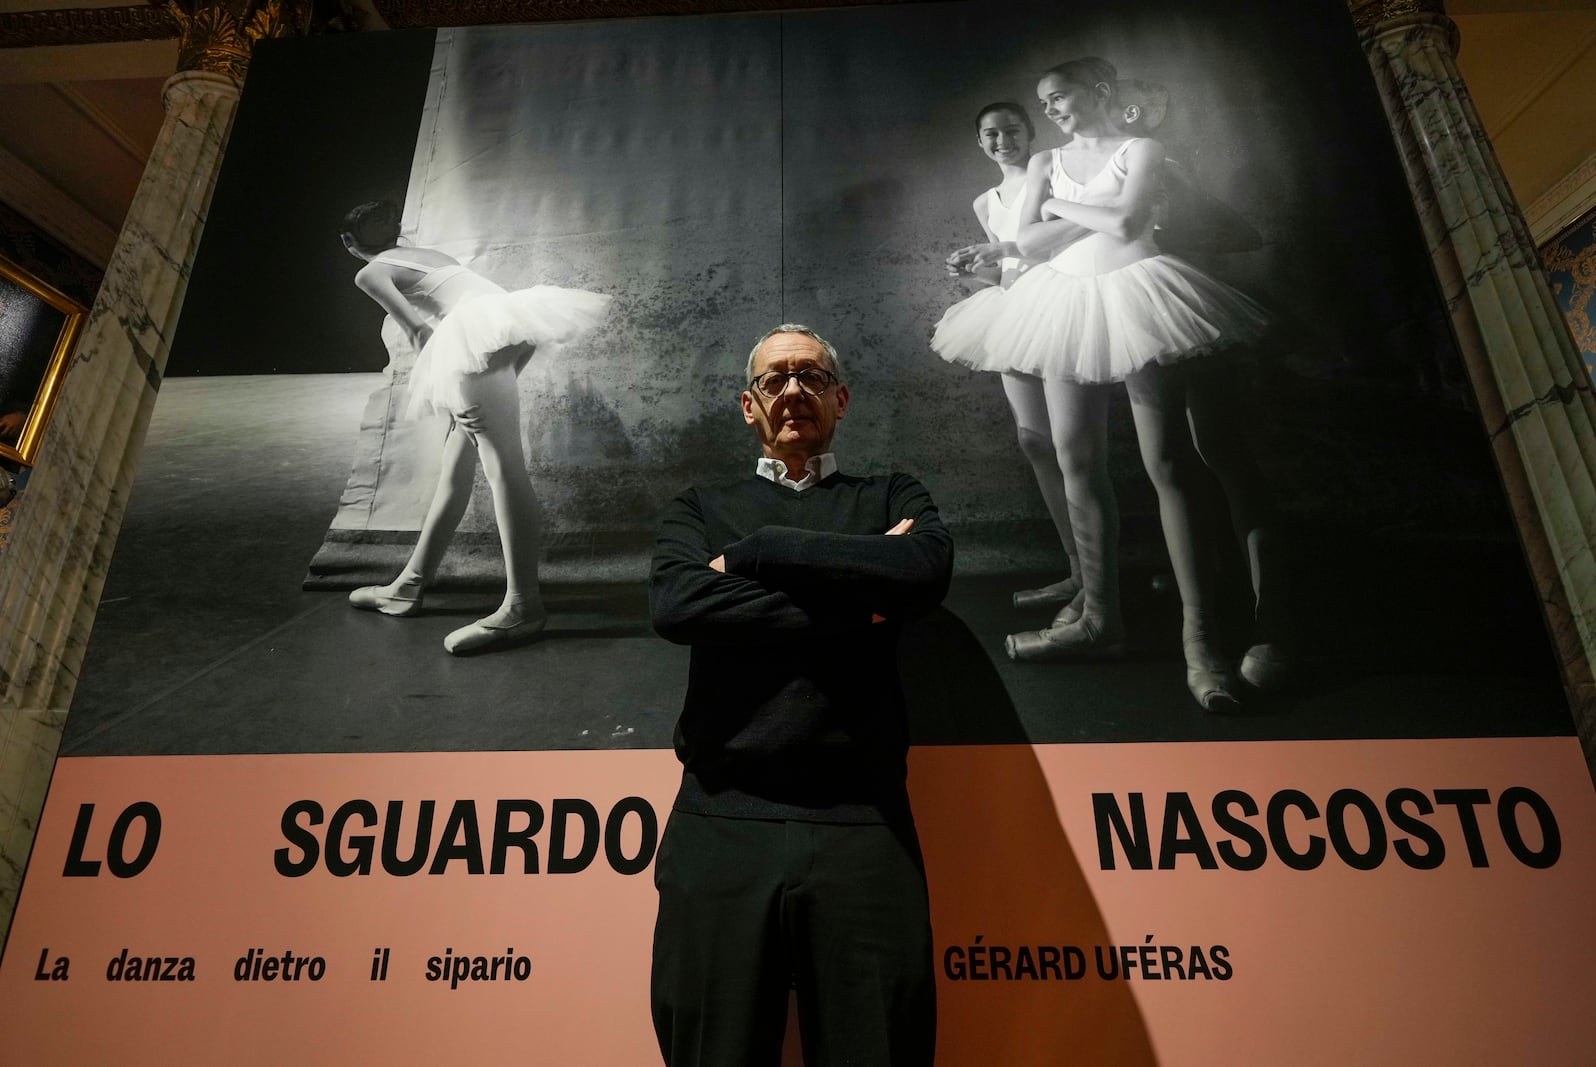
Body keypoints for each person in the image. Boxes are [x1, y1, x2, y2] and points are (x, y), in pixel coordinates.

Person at [648, 324, 952, 1066]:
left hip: (865, 826)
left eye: (811, 377)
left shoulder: (891, 494)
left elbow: (921, 574)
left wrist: (755, 553)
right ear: (749, 406)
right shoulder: (698, 506)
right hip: (722, 820)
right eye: (774, 379)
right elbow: (680, 606)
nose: (793, 391)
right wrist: (861, 600)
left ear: (840, 398)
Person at [932, 58, 1268, 712]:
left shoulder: (1142, 148)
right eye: (1046, 101)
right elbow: (1028, 241)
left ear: (1100, 92)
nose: (1052, 108)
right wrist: (1073, 205)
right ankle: (1099, 617)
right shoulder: (1045, 164)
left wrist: (1065, 203)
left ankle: (1202, 642)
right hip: (1064, 306)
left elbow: (1121, 226)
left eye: (1060, 96)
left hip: (1142, 298)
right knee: (1073, 459)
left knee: (1168, 462)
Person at [338, 200, 611, 654]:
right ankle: (408, 585)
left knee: (503, 467)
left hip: (476, 338)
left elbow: (421, 335)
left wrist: (448, 387)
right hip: (510, 325)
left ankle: (524, 607)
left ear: (350, 242)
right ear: (397, 232)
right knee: (456, 467)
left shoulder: (368, 273)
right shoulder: (430, 256)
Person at [938, 102, 1081, 611]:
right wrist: (972, 273)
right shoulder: (986, 202)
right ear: (980, 143)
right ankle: (1076, 570)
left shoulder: (1056, 177)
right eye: (991, 133)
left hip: (1063, 308)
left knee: (1074, 446)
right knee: (1034, 440)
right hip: (1016, 315)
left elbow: (1065, 245)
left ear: (1030, 133)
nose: (1002, 139)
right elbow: (1003, 273)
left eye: (1012, 129)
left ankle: (1098, 578)